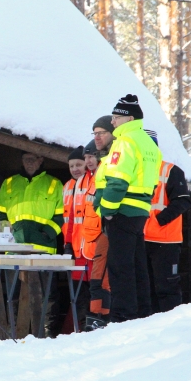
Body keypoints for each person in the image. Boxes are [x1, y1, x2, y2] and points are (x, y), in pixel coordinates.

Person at [94, 95, 162, 322]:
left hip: (122, 210)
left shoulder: (125, 142)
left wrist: (108, 210)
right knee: (137, 263)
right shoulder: (147, 143)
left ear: (129, 118)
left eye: (115, 118)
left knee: (119, 266)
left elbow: (117, 181)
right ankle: (142, 311)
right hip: (140, 209)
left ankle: (123, 314)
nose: (112, 122)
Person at [143, 130, 191, 313]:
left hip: (165, 241)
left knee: (166, 287)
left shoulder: (171, 170)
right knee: (145, 288)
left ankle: (169, 325)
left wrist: (160, 220)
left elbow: (183, 201)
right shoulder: (135, 172)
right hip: (141, 239)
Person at [0, 152, 64, 253]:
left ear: (41, 160)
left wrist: (47, 233)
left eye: (32, 159)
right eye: (26, 159)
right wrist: (7, 234)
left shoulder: (55, 184)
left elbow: (62, 215)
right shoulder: (8, 183)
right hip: (14, 246)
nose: (29, 162)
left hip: (43, 248)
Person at [84, 118, 115, 328]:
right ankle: (97, 316)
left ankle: (103, 317)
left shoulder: (107, 169)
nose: (90, 160)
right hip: (94, 239)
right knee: (97, 280)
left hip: (106, 232)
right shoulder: (88, 180)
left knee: (104, 280)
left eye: (93, 156)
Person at [60, 145, 91, 332]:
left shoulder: (89, 183)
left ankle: (87, 324)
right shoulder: (67, 186)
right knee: (78, 292)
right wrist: (67, 245)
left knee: (90, 290)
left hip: (88, 247)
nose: (75, 169)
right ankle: (78, 325)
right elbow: (68, 220)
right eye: (71, 166)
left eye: (78, 164)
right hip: (73, 247)